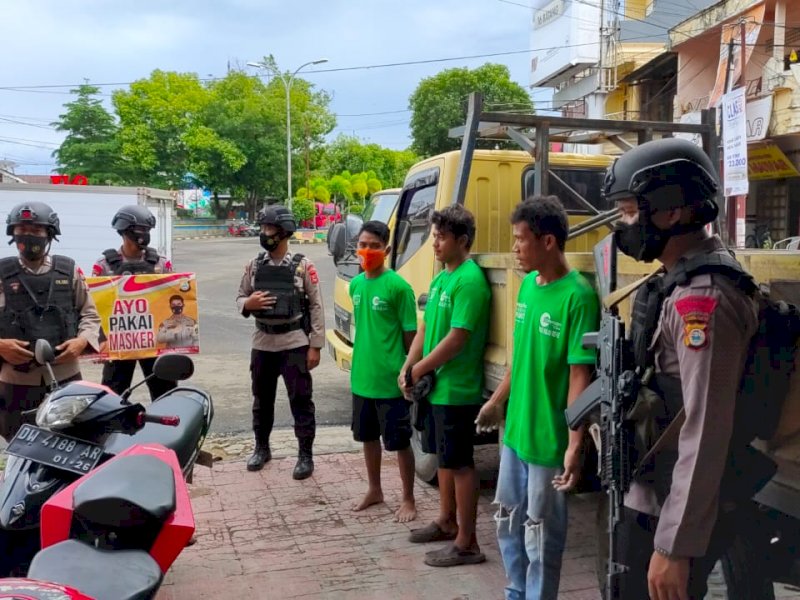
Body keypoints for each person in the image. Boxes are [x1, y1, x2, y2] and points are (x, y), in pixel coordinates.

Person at [602, 137, 761, 599]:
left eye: (631, 210)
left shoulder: (703, 299)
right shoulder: (678, 279)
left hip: (674, 502)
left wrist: (675, 545)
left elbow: (705, 427)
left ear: (672, 211)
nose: (623, 224)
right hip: (657, 489)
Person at [475, 196, 599, 599]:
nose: (514, 248)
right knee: (508, 523)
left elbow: (580, 373)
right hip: (516, 434)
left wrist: (574, 443)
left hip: (548, 439)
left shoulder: (577, 296)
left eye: (520, 240)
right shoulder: (528, 286)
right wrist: (497, 401)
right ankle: (516, 592)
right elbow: (521, 356)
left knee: (541, 536)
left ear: (548, 241)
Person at [399, 204, 491, 567]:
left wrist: (419, 369)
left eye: (440, 237)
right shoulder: (441, 279)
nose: (434, 243)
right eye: (433, 236)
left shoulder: (469, 281)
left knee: (461, 463)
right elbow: (424, 329)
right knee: (443, 460)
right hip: (438, 389)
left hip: (458, 389)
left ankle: (468, 542)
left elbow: (458, 338)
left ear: (462, 240)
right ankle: (446, 520)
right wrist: (408, 366)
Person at [0, 202, 102, 441]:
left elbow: (89, 314)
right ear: (12, 234)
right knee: (19, 444)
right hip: (16, 380)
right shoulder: (1, 273)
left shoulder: (68, 270)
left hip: (65, 375)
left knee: (71, 441)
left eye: (36, 231)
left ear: (49, 234)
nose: (28, 236)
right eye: (22, 230)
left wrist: (81, 341)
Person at [236, 205, 325, 480]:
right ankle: (262, 449)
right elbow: (240, 296)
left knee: (301, 400)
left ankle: (305, 455)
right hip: (262, 343)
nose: (264, 233)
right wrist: (248, 304)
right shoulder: (254, 265)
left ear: (284, 231)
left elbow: (316, 306)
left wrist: (315, 345)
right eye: (263, 228)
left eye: (269, 229)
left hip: (294, 343)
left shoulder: (303, 265)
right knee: (262, 401)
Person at [349, 220, 418, 523]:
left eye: (374, 246)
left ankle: (408, 498)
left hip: (391, 382)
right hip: (362, 378)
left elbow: (410, 338)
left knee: (400, 443)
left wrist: (409, 373)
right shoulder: (356, 284)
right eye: (363, 245)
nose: (368, 251)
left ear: (387, 250)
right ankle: (375, 489)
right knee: (367, 438)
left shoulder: (399, 287)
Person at [93, 205, 175, 401]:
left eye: (147, 230)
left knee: (166, 392)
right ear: (124, 230)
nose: (144, 235)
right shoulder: (104, 265)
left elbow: (173, 298)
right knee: (113, 395)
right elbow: (94, 306)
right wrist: (99, 341)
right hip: (118, 342)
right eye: (140, 229)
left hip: (155, 340)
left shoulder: (161, 264)